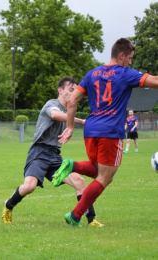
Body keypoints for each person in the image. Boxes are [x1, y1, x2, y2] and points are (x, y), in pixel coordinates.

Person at [52, 38, 158, 227]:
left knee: (97, 171)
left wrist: (69, 127)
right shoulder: (125, 73)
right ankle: (75, 215)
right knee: (105, 177)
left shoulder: (92, 74)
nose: (130, 62)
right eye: (130, 58)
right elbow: (154, 81)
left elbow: (72, 101)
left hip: (91, 130)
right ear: (122, 55)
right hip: (110, 131)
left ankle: (72, 166)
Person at [2, 76, 104, 227]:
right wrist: (81, 121)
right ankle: (8, 206)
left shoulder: (69, 110)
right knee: (29, 186)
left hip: (55, 156)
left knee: (79, 181)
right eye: (70, 90)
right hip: (39, 152)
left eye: (75, 91)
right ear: (60, 90)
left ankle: (91, 220)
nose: (73, 93)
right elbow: (55, 115)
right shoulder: (52, 104)